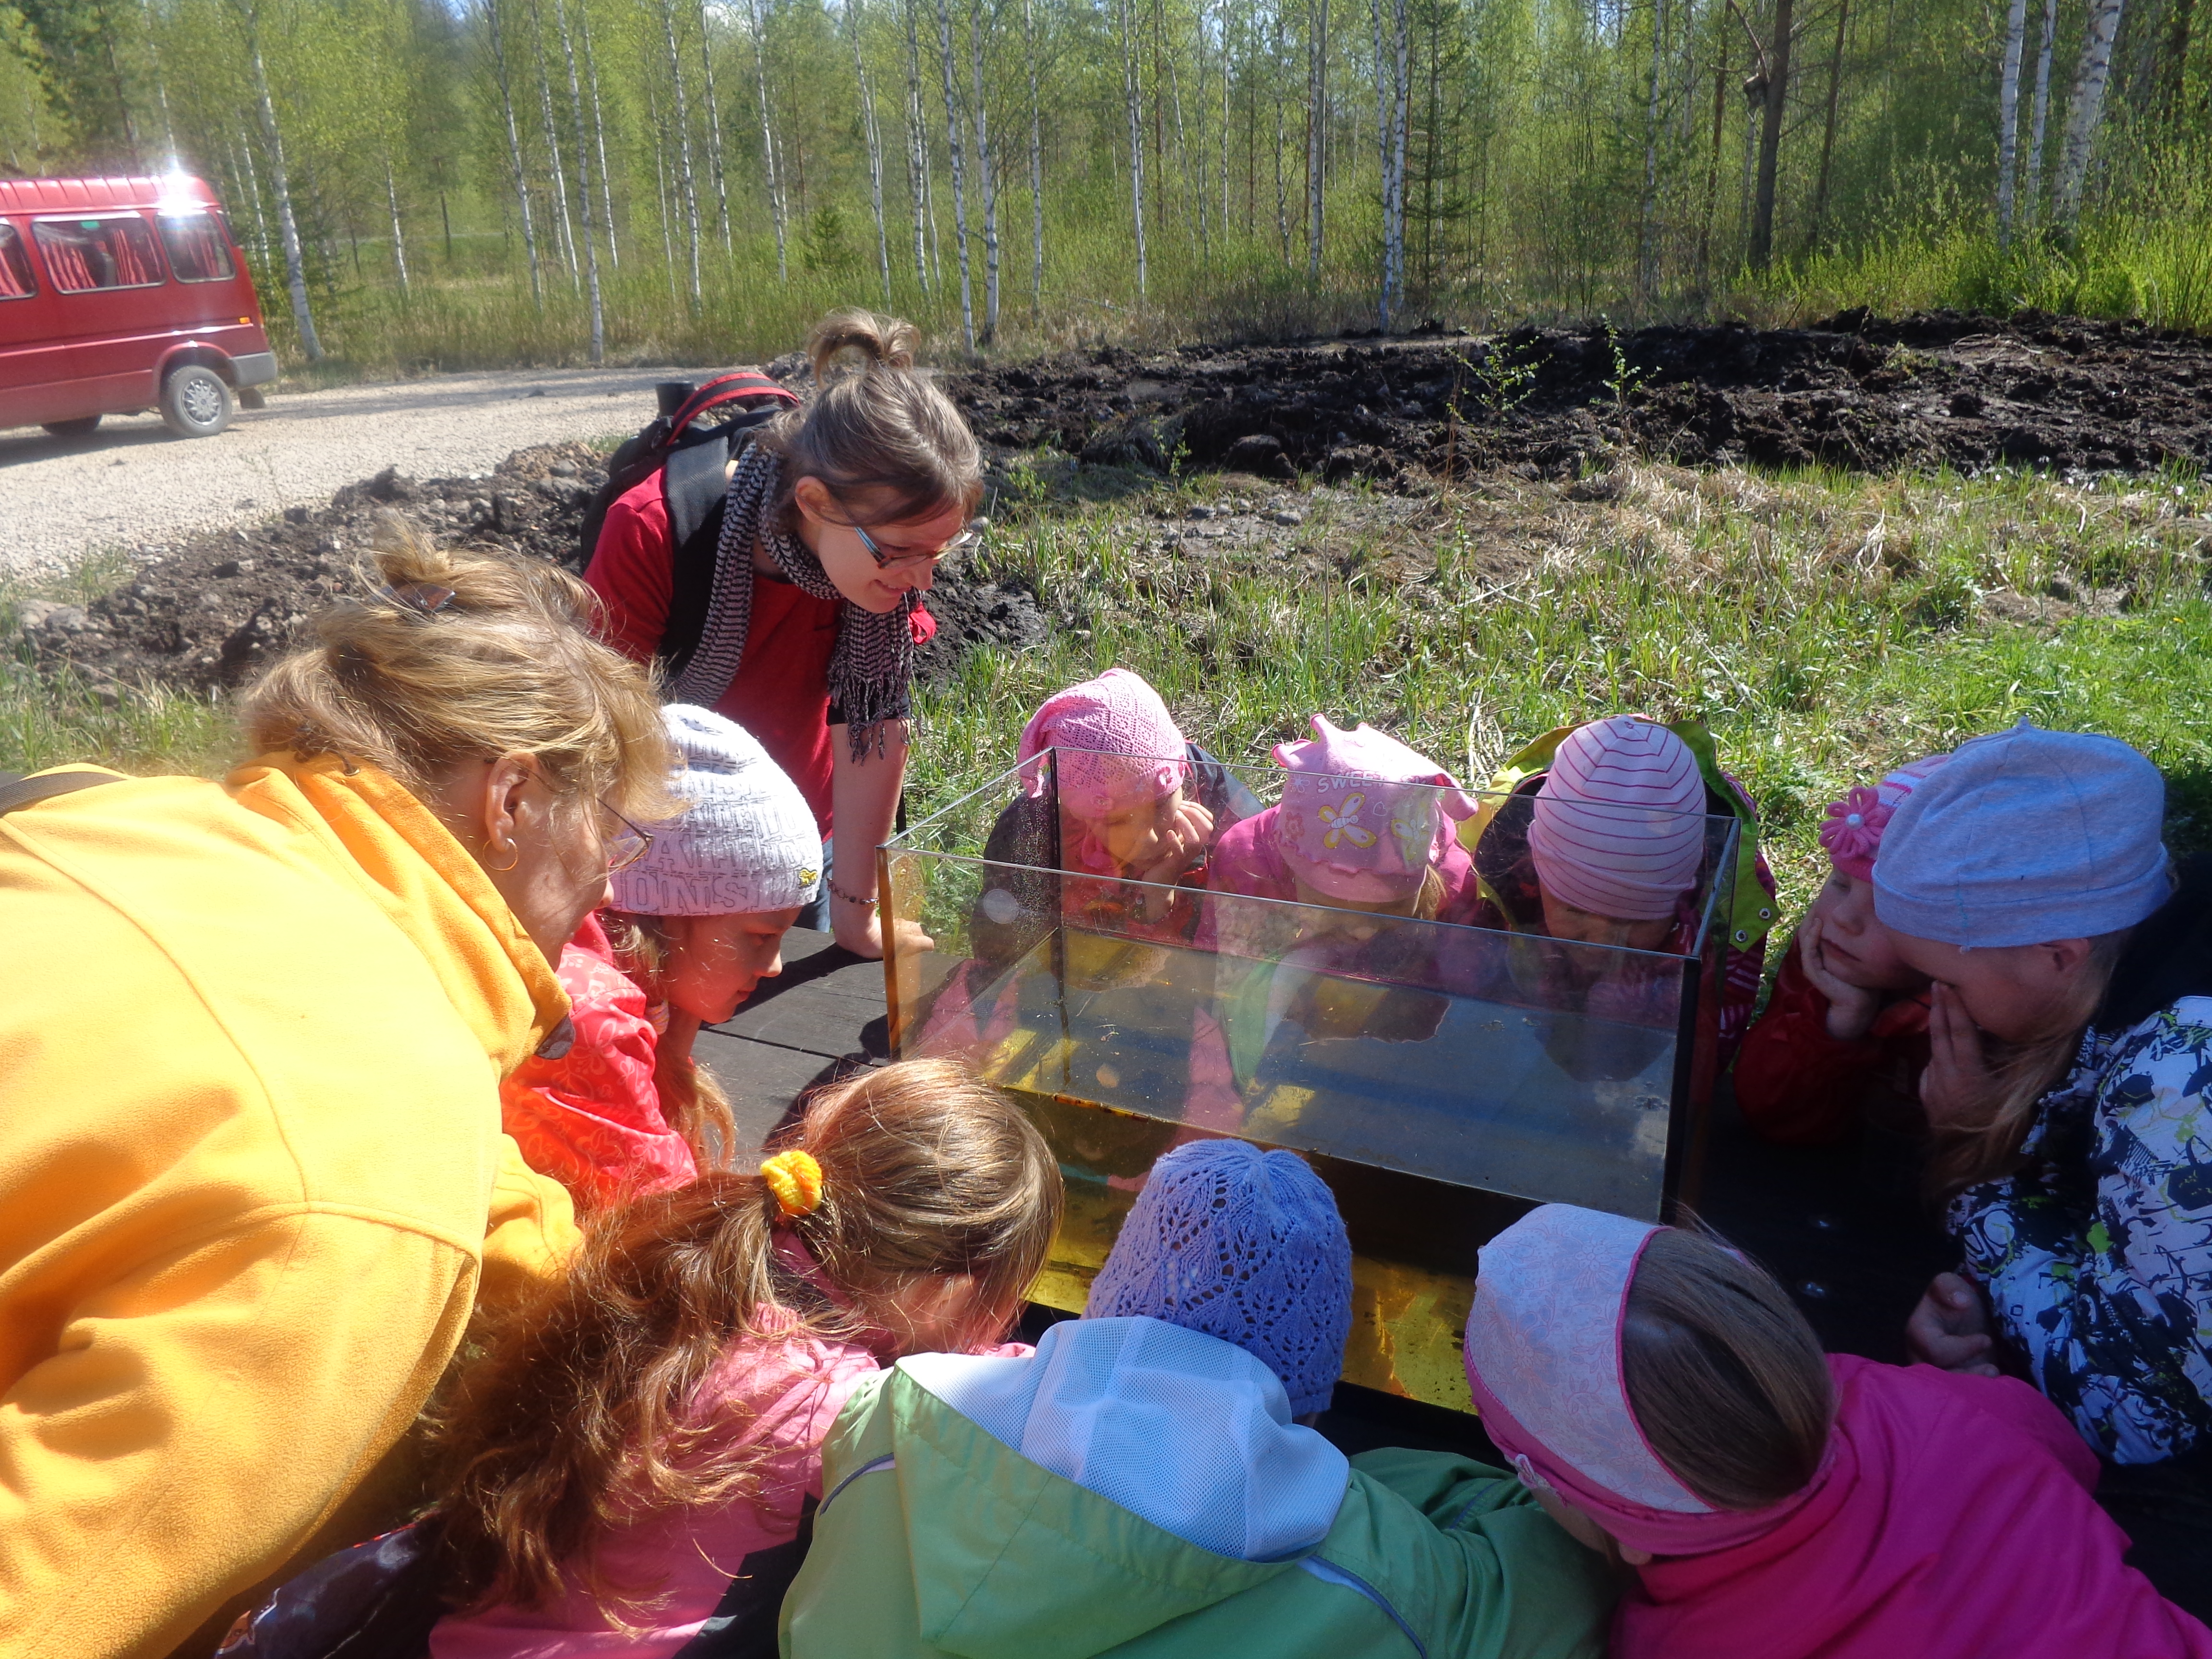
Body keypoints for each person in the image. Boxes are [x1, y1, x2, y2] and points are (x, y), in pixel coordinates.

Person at [0, 524, 671, 1659]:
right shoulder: (361, 1184)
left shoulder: (113, 816)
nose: (615, 880)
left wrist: (627, 1279)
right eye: (615, 834)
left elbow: (326, 1124)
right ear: (512, 798)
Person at [220, 1058, 1063, 1659]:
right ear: (951, 1283)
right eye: (1008, 1287)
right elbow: (1012, 1418)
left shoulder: (687, 1263)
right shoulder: (837, 1408)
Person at [781, 1137, 1616, 1659]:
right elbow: (1562, 1589)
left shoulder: (887, 1420)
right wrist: (1399, 1484)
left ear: (1108, 1295)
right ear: (1309, 1396)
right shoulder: (1386, 1574)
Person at [1462, 1203, 2212, 1658]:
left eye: (1521, 1464)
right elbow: (2065, 1456)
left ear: (1631, 1532)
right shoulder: (1949, 1415)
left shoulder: (1675, 1643)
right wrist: (1939, 1390)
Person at [1875, 723, 2212, 1614]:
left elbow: (2134, 1412)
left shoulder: (2172, 1090)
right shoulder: (2150, 949)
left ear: (2056, 954)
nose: (1935, 1007)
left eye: (1947, 980)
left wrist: (1979, 1189)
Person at [585, 310, 981, 960]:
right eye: (901, 552)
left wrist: (858, 920)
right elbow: (597, 746)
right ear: (817, 502)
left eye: (942, 551)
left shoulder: (881, 578)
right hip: (663, 850)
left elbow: (873, 732)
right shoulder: (655, 531)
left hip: (808, 837)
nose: (924, 581)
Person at [500, 705, 823, 1207]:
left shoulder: (628, 990)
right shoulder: (588, 1022)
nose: (773, 966)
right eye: (760, 935)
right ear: (665, 911)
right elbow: (669, 1221)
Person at [1462, 716, 1776, 1061]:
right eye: (1575, 909)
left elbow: (1712, 1040)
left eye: (1637, 922)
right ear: (1539, 874)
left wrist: (1635, 1013)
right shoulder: (1509, 875)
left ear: (1680, 897)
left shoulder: (1721, 913)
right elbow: (1484, 1000)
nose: (1600, 943)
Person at [968, 667, 1260, 967]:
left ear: (1180, 771)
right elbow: (1008, 955)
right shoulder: (1034, 835)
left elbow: (1241, 947)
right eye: (1118, 821)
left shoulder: (1213, 795)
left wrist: (1162, 899)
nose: (1152, 837)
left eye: (1161, 805)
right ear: (1079, 815)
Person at [1732, 755, 1948, 1146]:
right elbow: (1767, 1111)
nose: (1845, 918)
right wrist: (1836, 1026)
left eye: (1886, 907)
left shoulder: (1983, 1013)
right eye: (1841, 885)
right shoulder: (1825, 960)